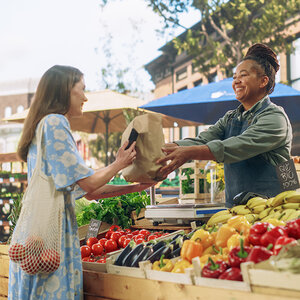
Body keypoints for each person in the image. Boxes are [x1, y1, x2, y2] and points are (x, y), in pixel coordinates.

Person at [8, 65, 153, 300]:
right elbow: (88, 183)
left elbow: (92, 192)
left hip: (35, 241)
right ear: (65, 90)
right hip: (49, 242)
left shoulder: (40, 126)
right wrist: (118, 163)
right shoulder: (55, 123)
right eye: (82, 90)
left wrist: (135, 187)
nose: (85, 97)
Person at [157, 43, 293, 208]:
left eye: (243, 75)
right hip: (237, 212)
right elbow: (203, 140)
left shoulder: (275, 117)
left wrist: (188, 152)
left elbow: (238, 146)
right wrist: (166, 148)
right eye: (235, 77)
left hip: (274, 212)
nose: (236, 81)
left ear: (263, 81)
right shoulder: (230, 118)